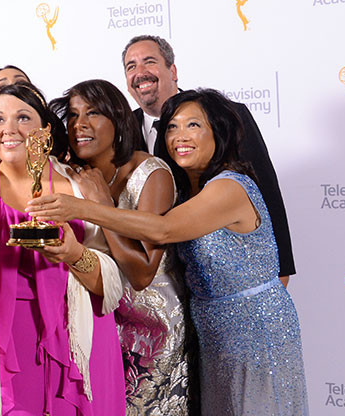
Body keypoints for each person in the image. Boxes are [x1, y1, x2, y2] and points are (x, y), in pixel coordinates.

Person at [29, 89, 309, 416]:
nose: (180, 136)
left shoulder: (229, 187)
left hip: (257, 331)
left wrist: (86, 207)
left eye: (194, 126)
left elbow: (162, 230)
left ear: (218, 133)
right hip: (211, 332)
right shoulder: (191, 185)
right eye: (172, 127)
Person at [0, 82, 126, 416]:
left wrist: (73, 254)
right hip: (6, 346)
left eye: (22, 118)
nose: (8, 129)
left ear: (44, 130)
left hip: (80, 342)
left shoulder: (79, 184)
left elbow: (110, 286)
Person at [50, 79, 191, 416]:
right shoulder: (74, 174)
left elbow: (142, 272)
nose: (79, 124)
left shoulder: (150, 174)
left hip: (155, 331)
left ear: (118, 120)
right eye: (72, 115)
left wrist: (101, 206)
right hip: (103, 322)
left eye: (93, 113)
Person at [121, 35, 296, 283]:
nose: (140, 72)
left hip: (225, 277)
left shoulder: (228, 116)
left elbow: (266, 191)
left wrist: (282, 269)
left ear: (173, 70)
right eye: (131, 66)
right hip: (158, 283)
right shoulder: (121, 131)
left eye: (149, 62)